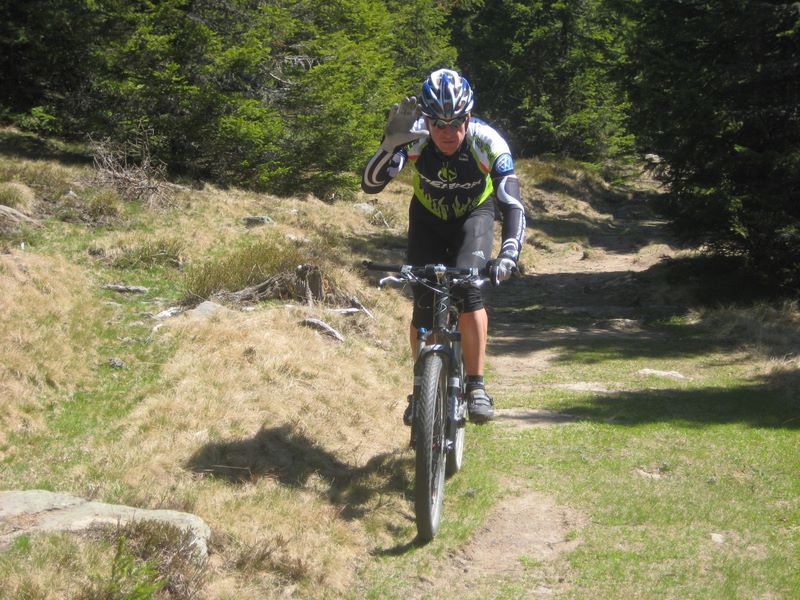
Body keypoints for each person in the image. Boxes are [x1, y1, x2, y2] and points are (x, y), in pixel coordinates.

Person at [361, 68, 526, 424]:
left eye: (456, 122)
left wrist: (509, 254)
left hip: (474, 217)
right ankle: (421, 386)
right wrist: (389, 145)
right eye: (438, 123)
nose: (447, 132)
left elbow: (512, 204)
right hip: (427, 220)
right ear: (426, 120)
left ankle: (476, 385)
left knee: (469, 291)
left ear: (469, 117)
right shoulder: (416, 138)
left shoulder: (487, 141)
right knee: (423, 303)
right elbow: (371, 185)